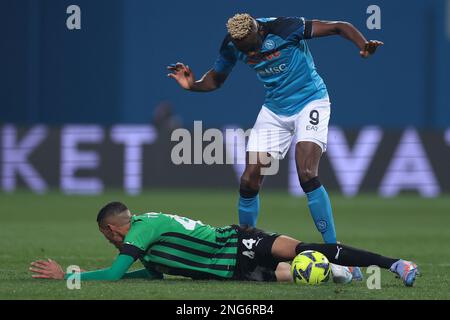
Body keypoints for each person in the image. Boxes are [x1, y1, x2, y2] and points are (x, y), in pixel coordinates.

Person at [167, 13, 384, 279]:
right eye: (247, 50)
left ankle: (336, 253)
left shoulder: (286, 27)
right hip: (275, 111)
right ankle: (246, 251)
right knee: (249, 178)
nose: (252, 52)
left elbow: (340, 27)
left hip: (311, 101)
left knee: (306, 173)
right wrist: (192, 85)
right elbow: (217, 79)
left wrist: (362, 44)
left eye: (253, 45)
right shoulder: (234, 44)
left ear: (259, 30)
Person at [30, 202, 418, 286]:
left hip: (238, 243)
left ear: (112, 230)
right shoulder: (142, 243)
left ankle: (394, 264)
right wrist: (139, 275)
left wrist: (68, 275)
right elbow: (151, 275)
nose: (111, 241)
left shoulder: (140, 231)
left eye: (107, 235)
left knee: (303, 249)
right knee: (292, 276)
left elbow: (115, 275)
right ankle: (340, 273)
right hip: (228, 271)